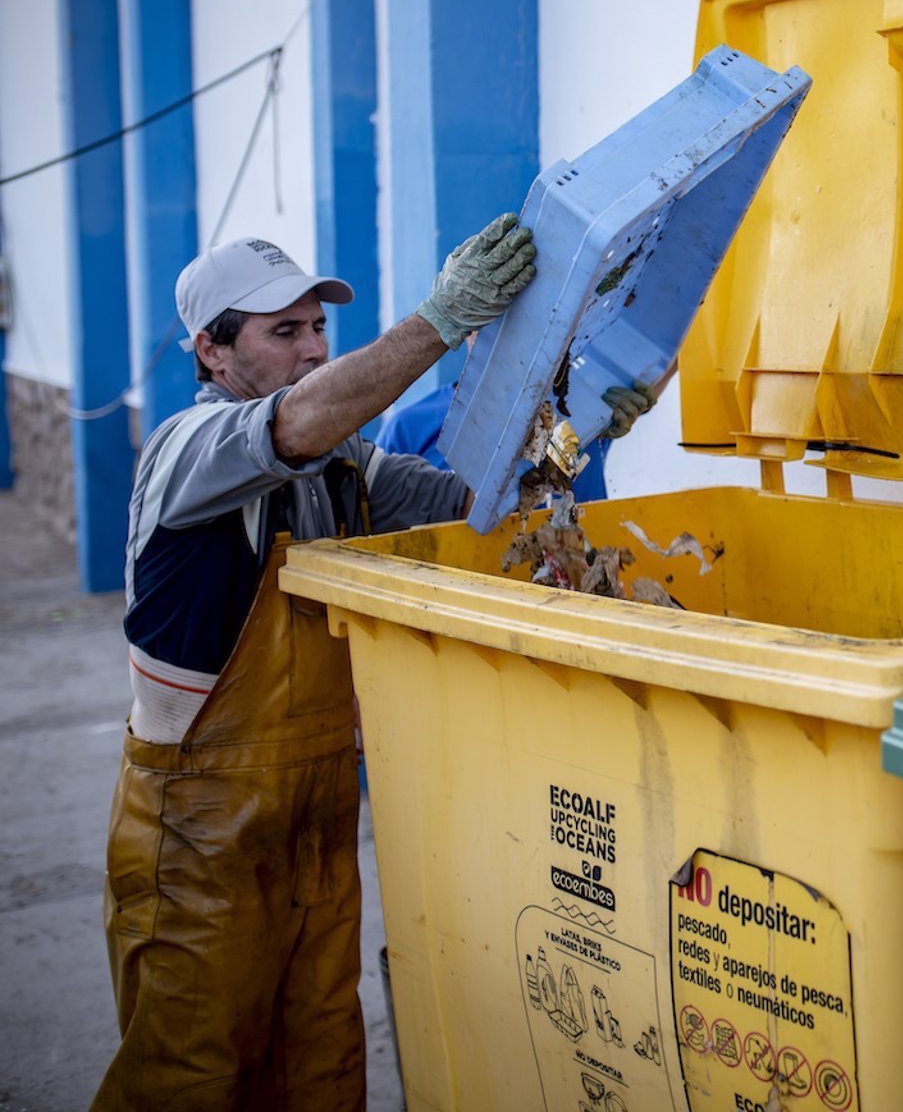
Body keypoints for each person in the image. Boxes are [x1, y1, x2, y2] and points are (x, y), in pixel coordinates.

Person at [94, 216, 630, 1109]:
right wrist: (439, 320)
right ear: (212, 353)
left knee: (322, 1061)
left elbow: (477, 501)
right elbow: (296, 424)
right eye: (282, 332)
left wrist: (584, 421)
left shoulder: (344, 466)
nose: (310, 350)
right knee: (189, 1073)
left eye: (317, 328)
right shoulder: (190, 449)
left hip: (317, 822)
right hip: (198, 830)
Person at [374, 347, 656, 499]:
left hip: (584, 591)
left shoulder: (579, 399)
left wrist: (610, 411)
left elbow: (661, 359)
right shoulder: (407, 429)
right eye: (493, 314)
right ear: (465, 326)